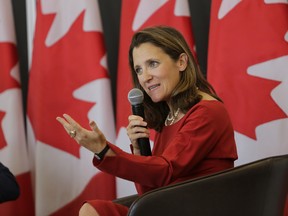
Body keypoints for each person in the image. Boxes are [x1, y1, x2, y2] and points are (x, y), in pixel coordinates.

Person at [56, 25, 238, 216]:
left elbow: (164, 171)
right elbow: (149, 193)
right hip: (167, 208)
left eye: (153, 63)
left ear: (182, 62)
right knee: (93, 210)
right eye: (139, 69)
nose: (145, 77)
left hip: (196, 209)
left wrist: (103, 150)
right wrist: (138, 149)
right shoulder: (170, 116)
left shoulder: (208, 112)